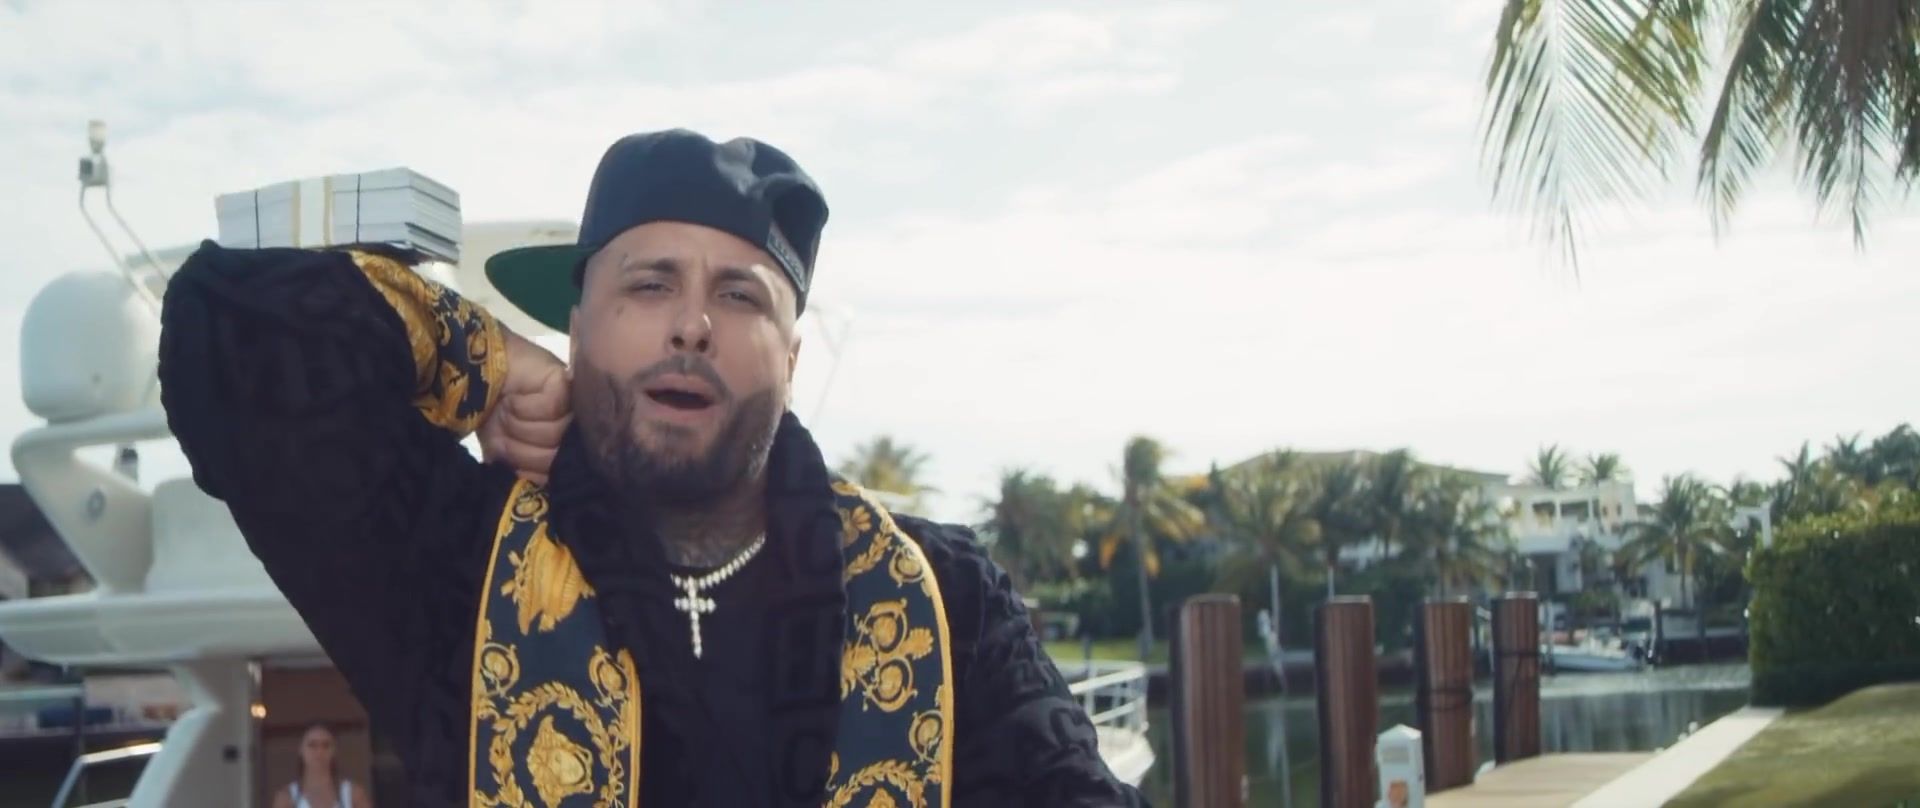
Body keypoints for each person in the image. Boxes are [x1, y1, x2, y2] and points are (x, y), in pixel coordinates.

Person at [158, 129, 1148, 807]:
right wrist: (486, 362)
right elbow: (229, 334)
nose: (692, 323)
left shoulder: (943, 595)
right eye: (649, 284)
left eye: (741, 296)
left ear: (792, 358)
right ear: (578, 329)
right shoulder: (453, 558)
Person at [272, 723, 372, 808]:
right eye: (312, 745)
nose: (319, 752)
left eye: (326, 745)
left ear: (334, 750)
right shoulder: (286, 798)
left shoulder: (353, 794)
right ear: (301, 749)